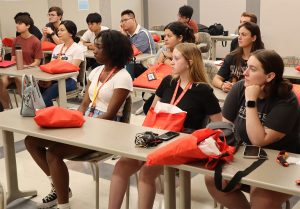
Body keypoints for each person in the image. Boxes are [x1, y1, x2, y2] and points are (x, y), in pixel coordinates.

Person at [25, 29, 133, 209]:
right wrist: (74, 121)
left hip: (106, 130)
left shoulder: (123, 77)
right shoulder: (96, 71)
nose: (94, 50)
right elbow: (84, 105)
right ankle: (59, 188)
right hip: (86, 122)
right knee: (31, 141)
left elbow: (110, 115)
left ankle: (63, 204)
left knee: (54, 153)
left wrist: (82, 126)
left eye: (99, 47)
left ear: (112, 50)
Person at [108, 43, 222, 209]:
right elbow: (153, 111)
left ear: (190, 62)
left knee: (147, 171)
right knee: (122, 165)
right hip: (156, 136)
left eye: (176, 59)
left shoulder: (203, 91)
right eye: (171, 58)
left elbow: (218, 124)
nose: (171, 62)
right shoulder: (168, 81)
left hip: (181, 142)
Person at [205, 49, 299, 209]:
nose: (245, 73)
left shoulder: (286, 99)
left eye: (253, 69)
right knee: (213, 180)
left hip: (281, 161)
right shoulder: (240, 88)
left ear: (270, 76)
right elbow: (227, 130)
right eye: (246, 67)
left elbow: (259, 140)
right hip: (247, 156)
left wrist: (250, 101)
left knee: (261, 198)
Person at [143, 21, 195, 114]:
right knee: (148, 107)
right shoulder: (162, 50)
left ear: (180, 38)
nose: (165, 39)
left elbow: (182, 73)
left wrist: (166, 60)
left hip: (183, 89)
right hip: (164, 87)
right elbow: (157, 68)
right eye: (165, 36)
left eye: (169, 36)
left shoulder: (189, 52)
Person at [0, 13, 43, 110]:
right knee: (1, 81)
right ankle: (6, 109)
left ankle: (27, 108)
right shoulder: (16, 40)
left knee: (20, 79)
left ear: (28, 26)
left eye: (20, 23)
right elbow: (13, 59)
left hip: (29, 71)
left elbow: (37, 62)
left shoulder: (35, 41)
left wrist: (25, 68)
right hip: (16, 69)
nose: (17, 26)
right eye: (16, 23)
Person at [39, 20, 84, 107]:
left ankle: (47, 111)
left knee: (48, 94)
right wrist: (49, 79)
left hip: (69, 80)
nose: (59, 32)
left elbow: (73, 70)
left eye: (62, 30)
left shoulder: (77, 49)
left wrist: (53, 79)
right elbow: (51, 66)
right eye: (58, 30)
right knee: (38, 88)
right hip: (55, 78)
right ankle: (48, 111)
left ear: (71, 33)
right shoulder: (57, 47)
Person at [212, 22, 264, 93]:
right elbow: (216, 79)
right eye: (239, 34)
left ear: (253, 38)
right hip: (232, 96)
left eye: (244, 35)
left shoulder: (261, 59)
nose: (239, 37)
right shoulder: (231, 57)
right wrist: (223, 85)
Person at [120, 9, 156, 78]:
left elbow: (131, 53)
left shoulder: (142, 33)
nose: (123, 23)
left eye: (125, 20)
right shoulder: (127, 34)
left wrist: (123, 38)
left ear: (133, 20)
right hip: (135, 63)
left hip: (147, 66)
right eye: (122, 21)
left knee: (126, 64)